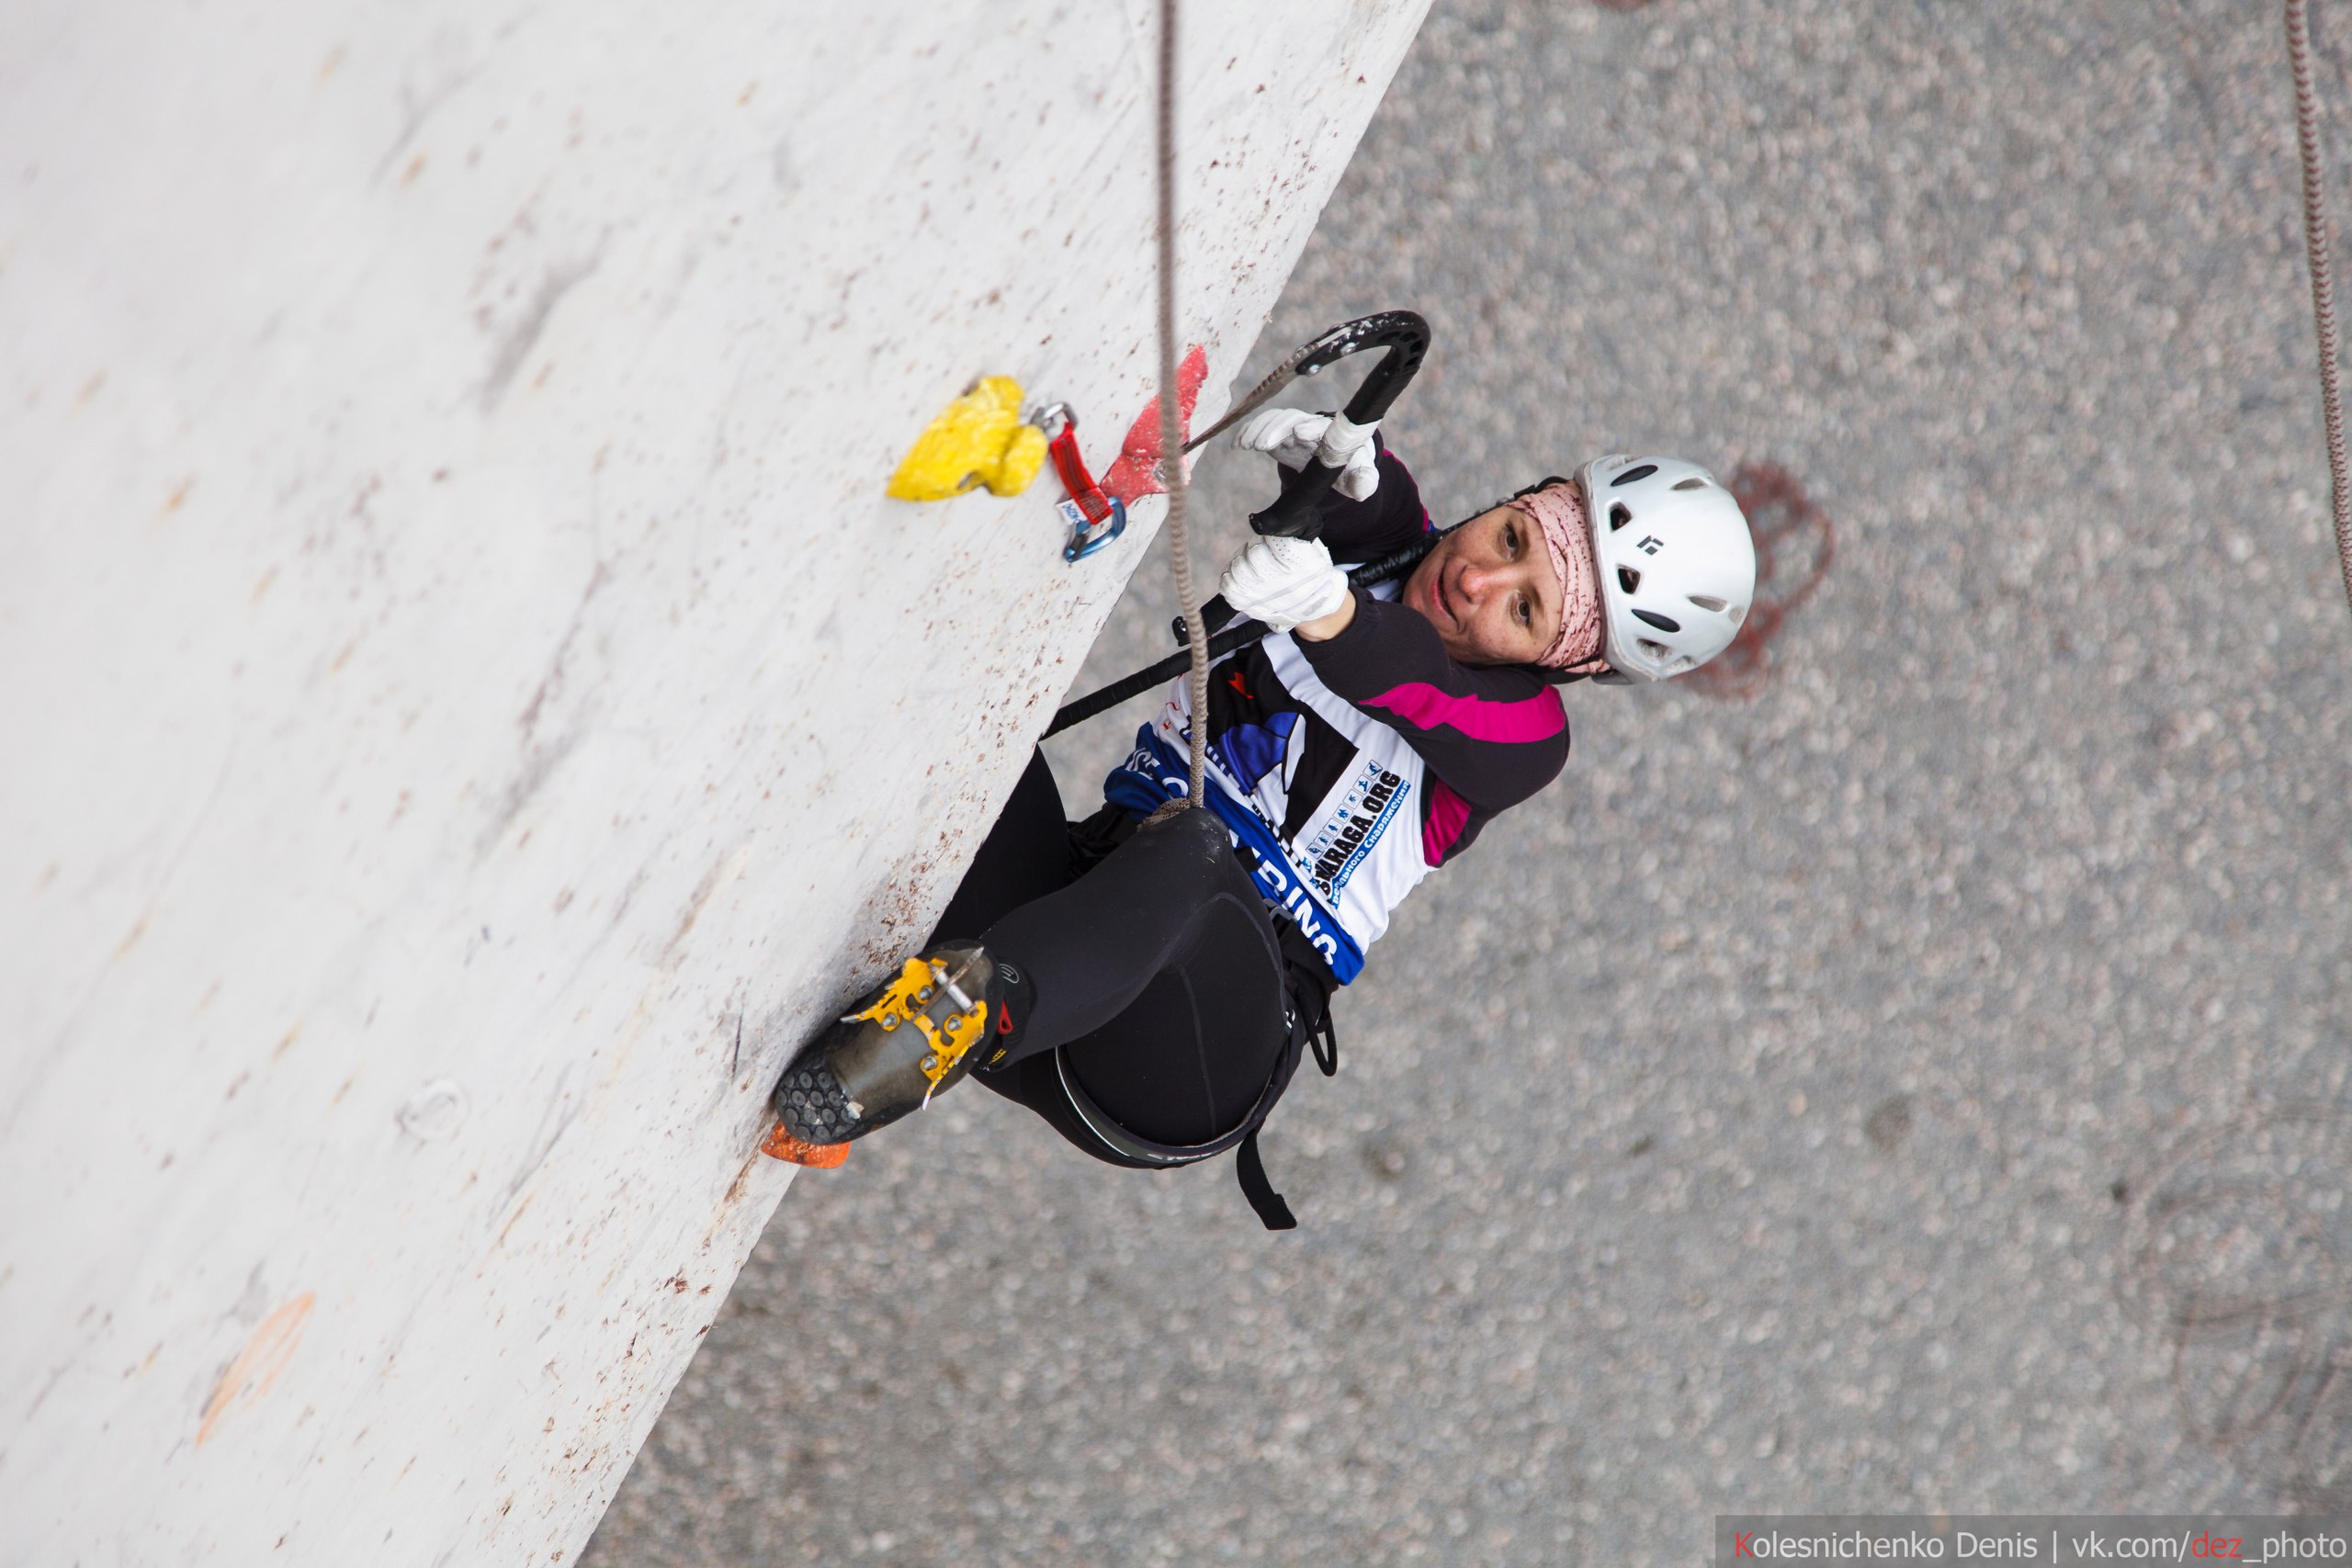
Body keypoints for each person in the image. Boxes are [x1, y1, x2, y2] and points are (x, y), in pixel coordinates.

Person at [767, 411, 1758, 1224]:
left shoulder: (1522, 737)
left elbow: (1411, 679)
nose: (1477, 581)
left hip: (1179, 1054)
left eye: (1526, 610)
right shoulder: (1384, 557)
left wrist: (1331, 616)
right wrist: (1347, 472)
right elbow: (1390, 524)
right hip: (1061, 929)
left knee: (1199, 855)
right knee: (976, 727)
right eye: (1508, 538)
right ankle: (859, 1052)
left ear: (1564, 663)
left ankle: (933, 1031)